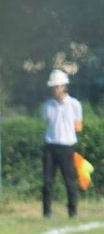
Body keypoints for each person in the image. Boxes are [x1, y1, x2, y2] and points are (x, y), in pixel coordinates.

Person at [42, 68, 83, 220]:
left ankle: (73, 212)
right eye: (52, 87)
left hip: (67, 147)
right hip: (50, 146)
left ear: (63, 86)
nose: (54, 89)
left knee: (70, 181)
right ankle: (47, 212)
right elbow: (46, 122)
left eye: (56, 86)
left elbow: (78, 126)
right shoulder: (47, 106)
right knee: (47, 181)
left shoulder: (74, 104)